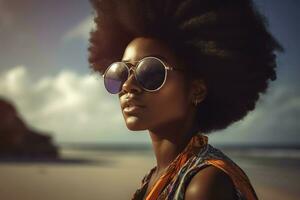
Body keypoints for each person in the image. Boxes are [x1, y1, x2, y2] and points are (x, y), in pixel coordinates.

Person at [88, 0, 283, 199]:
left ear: (196, 91)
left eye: (150, 72)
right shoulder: (155, 177)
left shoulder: (205, 185)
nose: (128, 85)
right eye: (121, 72)